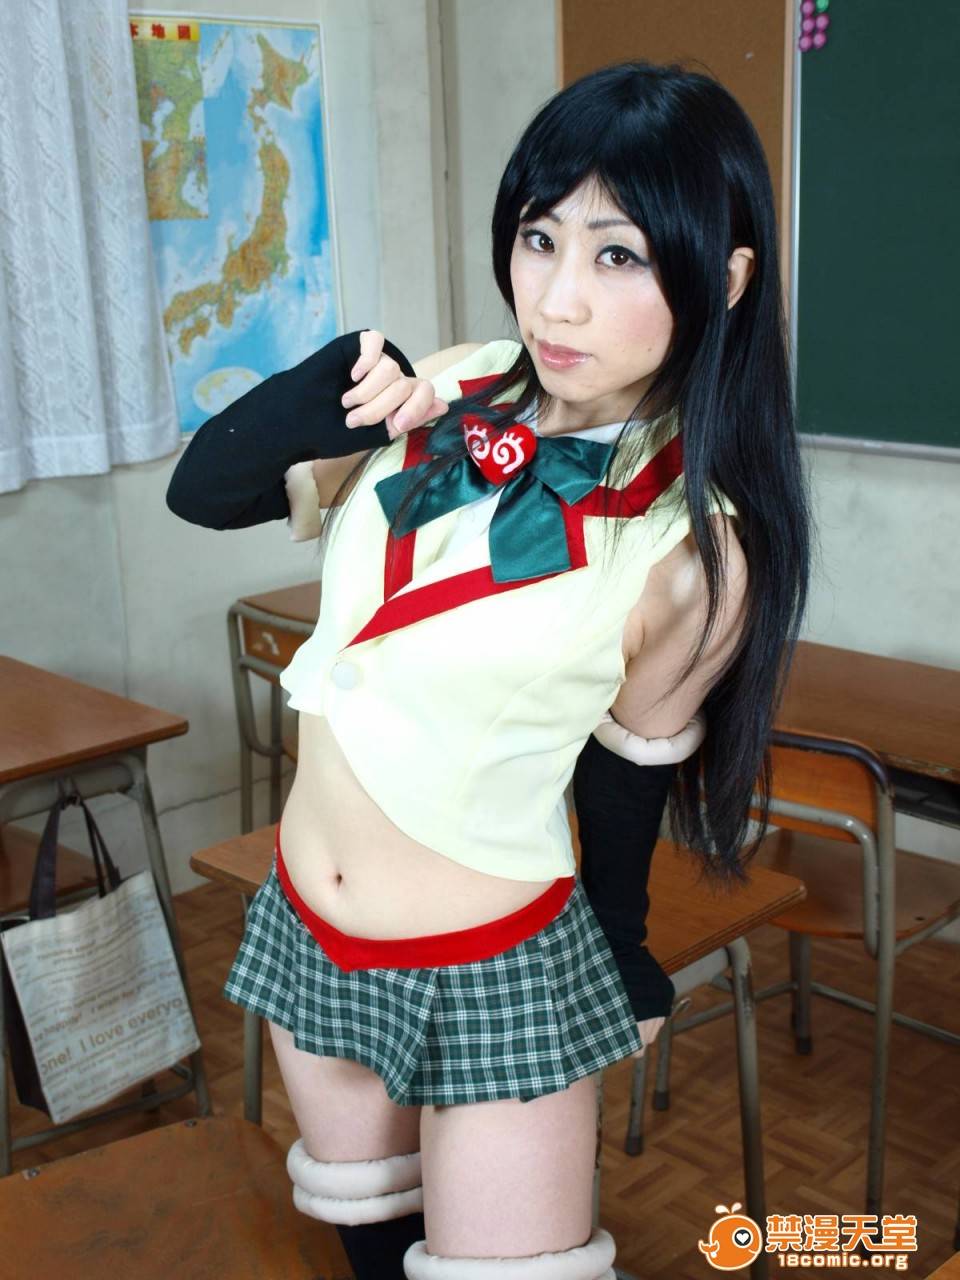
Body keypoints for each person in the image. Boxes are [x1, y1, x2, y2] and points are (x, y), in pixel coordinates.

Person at [166, 58, 810, 1280]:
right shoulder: (451, 382)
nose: (558, 299)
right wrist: (317, 393)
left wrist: (622, 944)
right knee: (368, 1247)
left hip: (495, 962)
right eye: (540, 238)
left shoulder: (697, 548)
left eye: (618, 256)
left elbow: (632, 763)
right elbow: (204, 492)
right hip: (311, 923)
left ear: (723, 280)